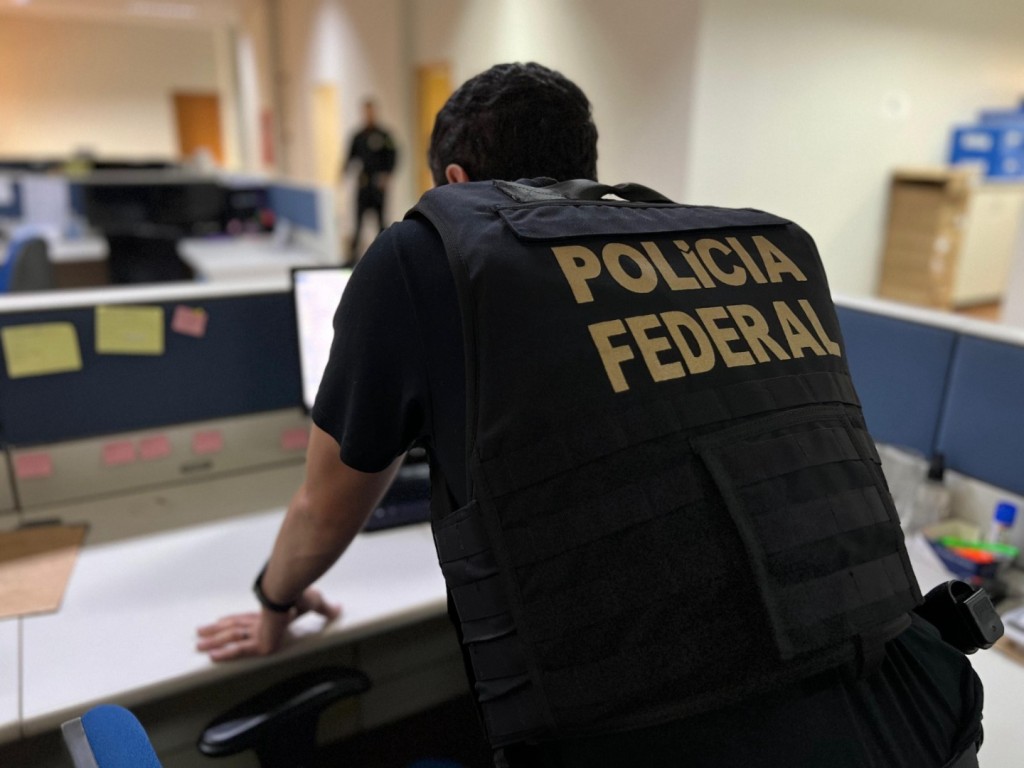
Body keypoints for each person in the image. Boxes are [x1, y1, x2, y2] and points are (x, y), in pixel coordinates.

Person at [198, 63, 986, 768]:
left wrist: (275, 601)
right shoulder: (768, 247)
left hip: (667, 737)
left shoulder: (427, 254)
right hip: (917, 712)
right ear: (587, 169)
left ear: (454, 181)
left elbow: (325, 505)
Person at [342, 98, 397, 263]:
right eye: (366, 112)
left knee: (381, 222)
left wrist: (387, 175)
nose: (369, 115)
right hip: (363, 185)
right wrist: (342, 173)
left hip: (378, 187)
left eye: (371, 111)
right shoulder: (358, 136)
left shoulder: (384, 135)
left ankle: (385, 256)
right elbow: (350, 157)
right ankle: (352, 259)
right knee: (358, 223)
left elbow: (393, 156)